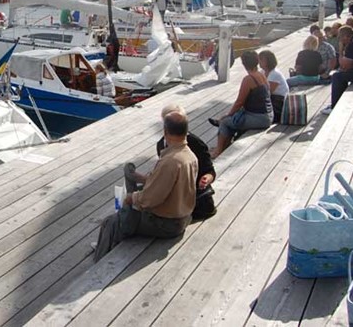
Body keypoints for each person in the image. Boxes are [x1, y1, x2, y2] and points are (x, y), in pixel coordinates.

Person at [93, 109, 197, 262]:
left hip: (167, 224)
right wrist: (139, 179)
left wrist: (130, 198)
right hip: (183, 216)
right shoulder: (189, 155)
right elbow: (167, 186)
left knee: (111, 222)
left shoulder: (170, 161)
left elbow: (150, 199)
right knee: (126, 213)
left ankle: (99, 261)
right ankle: (111, 241)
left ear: (166, 132)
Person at [127, 104, 217, 220]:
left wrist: (206, 178)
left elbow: (210, 171)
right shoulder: (161, 144)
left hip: (194, 200)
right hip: (175, 195)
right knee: (142, 193)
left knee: (139, 201)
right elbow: (166, 178)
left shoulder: (195, 144)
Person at [208, 50, 272, 158]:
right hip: (268, 114)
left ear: (244, 64)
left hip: (259, 118)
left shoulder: (249, 79)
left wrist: (228, 114)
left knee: (224, 122)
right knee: (232, 120)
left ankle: (218, 151)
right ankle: (225, 146)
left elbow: (239, 102)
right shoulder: (262, 75)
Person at [323, 25, 353, 115]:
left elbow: (344, 64)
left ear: (346, 37)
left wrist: (340, 50)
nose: (339, 40)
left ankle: (334, 106)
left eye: (340, 37)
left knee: (337, 76)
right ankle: (336, 103)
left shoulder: (351, 45)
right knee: (340, 74)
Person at [258, 50, 289, 123]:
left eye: (261, 59)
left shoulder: (275, 74)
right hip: (272, 98)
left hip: (279, 101)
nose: (259, 61)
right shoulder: (262, 72)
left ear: (268, 61)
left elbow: (268, 92)